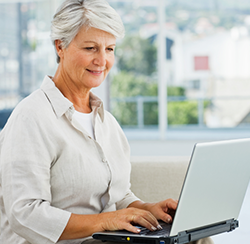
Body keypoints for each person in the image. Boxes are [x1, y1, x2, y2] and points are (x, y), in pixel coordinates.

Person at [0, 0, 214, 243]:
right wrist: (105, 221)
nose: (102, 60)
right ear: (61, 46)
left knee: (196, 237)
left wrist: (146, 209)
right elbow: (25, 213)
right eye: (91, 48)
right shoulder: (31, 118)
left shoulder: (107, 123)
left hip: (105, 239)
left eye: (110, 49)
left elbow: (117, 196)